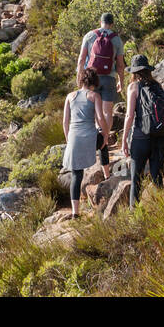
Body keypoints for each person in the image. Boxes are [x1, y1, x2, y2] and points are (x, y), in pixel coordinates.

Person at [122, 55, 164, 208]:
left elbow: (130, 115)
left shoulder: (133, 87)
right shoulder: (157, 86)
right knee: (157, 177)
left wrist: (124, 139)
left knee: (136, 179)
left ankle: (134, 215)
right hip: (160, 135)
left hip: (141, 138)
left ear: (134, 72)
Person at [77, 12, 125, 174]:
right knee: (107, 111)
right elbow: (120, 64)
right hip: (109, 78)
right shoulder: (117, 39)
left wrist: (80, 80)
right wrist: (122, 80)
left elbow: (81, 59)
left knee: (93, 111)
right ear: (112, 23)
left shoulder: (90, 35)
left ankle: (97, 135)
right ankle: (104, 137)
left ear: (101, 22)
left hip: (91, 78)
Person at [61, 68, 111, 218]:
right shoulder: (94, 96)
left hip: (74, 138)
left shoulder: (70, 96)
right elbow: (100, 119)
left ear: (81, 80)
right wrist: (106, 134)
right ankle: (107, 175)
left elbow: (65, 122)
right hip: (90, 138)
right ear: (94, 81)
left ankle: (75, 212)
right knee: (103, 143)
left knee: (76, 175)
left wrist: (68, 139)